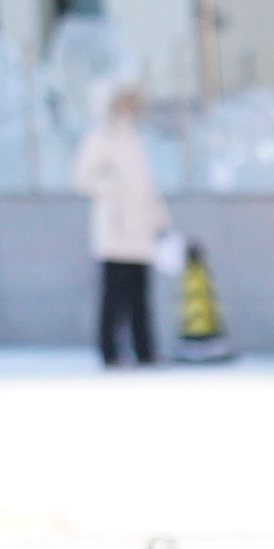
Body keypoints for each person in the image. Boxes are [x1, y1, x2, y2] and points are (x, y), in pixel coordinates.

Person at [78, 81, 169, 368]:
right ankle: (110, 352)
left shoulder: (136, 140)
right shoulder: (102, 138)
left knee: (140, 296)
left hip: (140, 230)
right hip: (115, 229)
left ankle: (145, 351)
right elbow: (84, 178)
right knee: (113, 297)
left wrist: (159, 217)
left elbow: (146, 185)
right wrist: (114, 188)